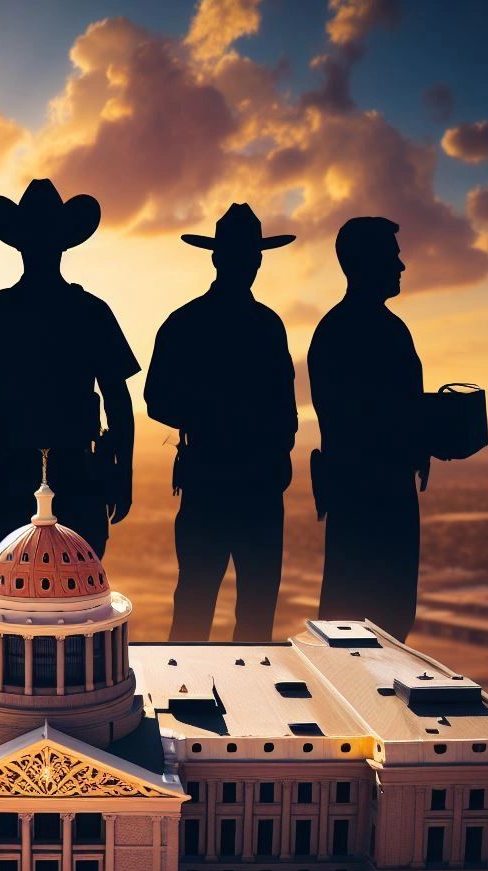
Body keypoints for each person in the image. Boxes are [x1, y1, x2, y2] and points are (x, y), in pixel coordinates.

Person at [0, 178, 138, 557]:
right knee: (78, 598)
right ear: (65, 241)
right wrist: (124, 473)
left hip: (20, 478)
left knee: (14, 598)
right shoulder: (90, 312)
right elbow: (118, 400)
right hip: (74, 476)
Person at [145, 203, 297, 642]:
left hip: (221, 481)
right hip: (244, 484)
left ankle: (184, 691)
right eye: (245, 255)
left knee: (204, 601)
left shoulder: (188, 322)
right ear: (220, 258)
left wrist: (207, 419)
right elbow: (157, 400)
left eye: (253, 256)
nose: (250, 263)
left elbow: (158, 400)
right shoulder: (265, 325)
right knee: (232, 607)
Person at [309, 216, 426, 642]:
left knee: (384, 618)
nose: (401, 266)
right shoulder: (363, 331)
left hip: (375, 494)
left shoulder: (358, 329)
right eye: (393, 256)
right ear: (368, 262)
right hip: (371, 498)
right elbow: (363, 417)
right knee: (360, 618)